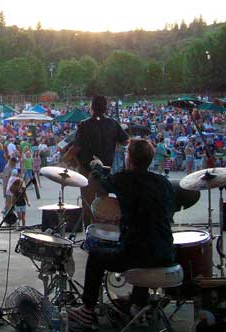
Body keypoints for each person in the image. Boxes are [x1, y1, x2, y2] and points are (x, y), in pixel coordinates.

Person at [68, 139, 175, 329]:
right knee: (145, 241)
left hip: (138, 255)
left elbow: (100, 185)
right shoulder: (163, 182)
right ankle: (137, 302)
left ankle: (87, 311)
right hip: (166, 254)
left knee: (97, 255)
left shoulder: (124, 179)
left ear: (129, 159)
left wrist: (97, 168)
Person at [63, 96, 129, 228]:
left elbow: (76, 148)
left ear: (91, 107)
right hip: (105, 169)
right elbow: (126, 141)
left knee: (87, 203)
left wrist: (64, 159)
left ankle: (89, 232)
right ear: (106, 108)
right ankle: (102, 232)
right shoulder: (113, 124)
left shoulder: (84, 124)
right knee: (102, 203)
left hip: (87, 170)